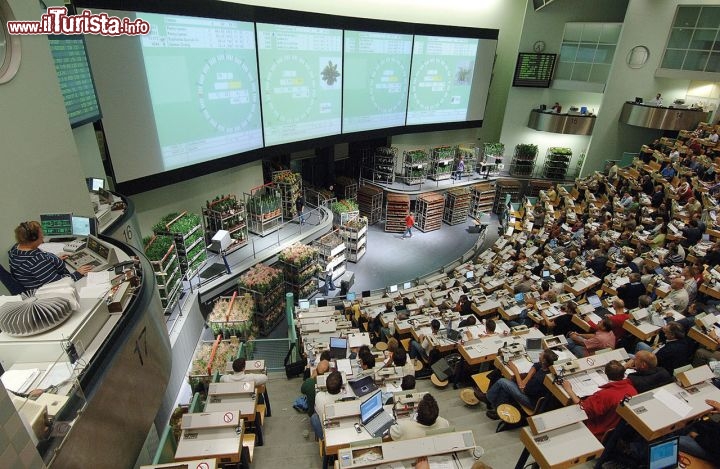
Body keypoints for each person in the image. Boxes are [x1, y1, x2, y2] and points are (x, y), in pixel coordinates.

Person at [561, 360, 637, 439]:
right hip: (618, 432)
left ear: (606, 373)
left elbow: (582, 409)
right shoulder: (632, 389)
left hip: (598, 432)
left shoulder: (604, 395)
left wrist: (569, 390)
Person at [8, 221, 94, 291]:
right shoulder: (37, 261)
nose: (43, 238)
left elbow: (39, 267)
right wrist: (77, 274)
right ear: (33, 239)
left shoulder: (15, 249)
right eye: (41, 236)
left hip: (38, 282)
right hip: (53, 288)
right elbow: (56, 282)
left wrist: (53, 260)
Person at [480, 349, 557, 420]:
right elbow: (536, 366)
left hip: (530, 401)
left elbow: (523, 390)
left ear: (544, 361)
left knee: (502, 381)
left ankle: (487, 398)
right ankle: (499, 411)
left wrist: (515, 371)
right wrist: (525, 380)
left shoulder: (539, 379)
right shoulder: (547, 368)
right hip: (529, 392)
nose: (539, 354)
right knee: (505, 388)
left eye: (541, 355)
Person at [311, 371, 343, 439]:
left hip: (327, 435)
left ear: (326, 384)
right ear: (341, 386)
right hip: (343, 431)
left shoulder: (319, 396)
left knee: (314, 416)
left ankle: (320, 439)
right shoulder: (347, 399)